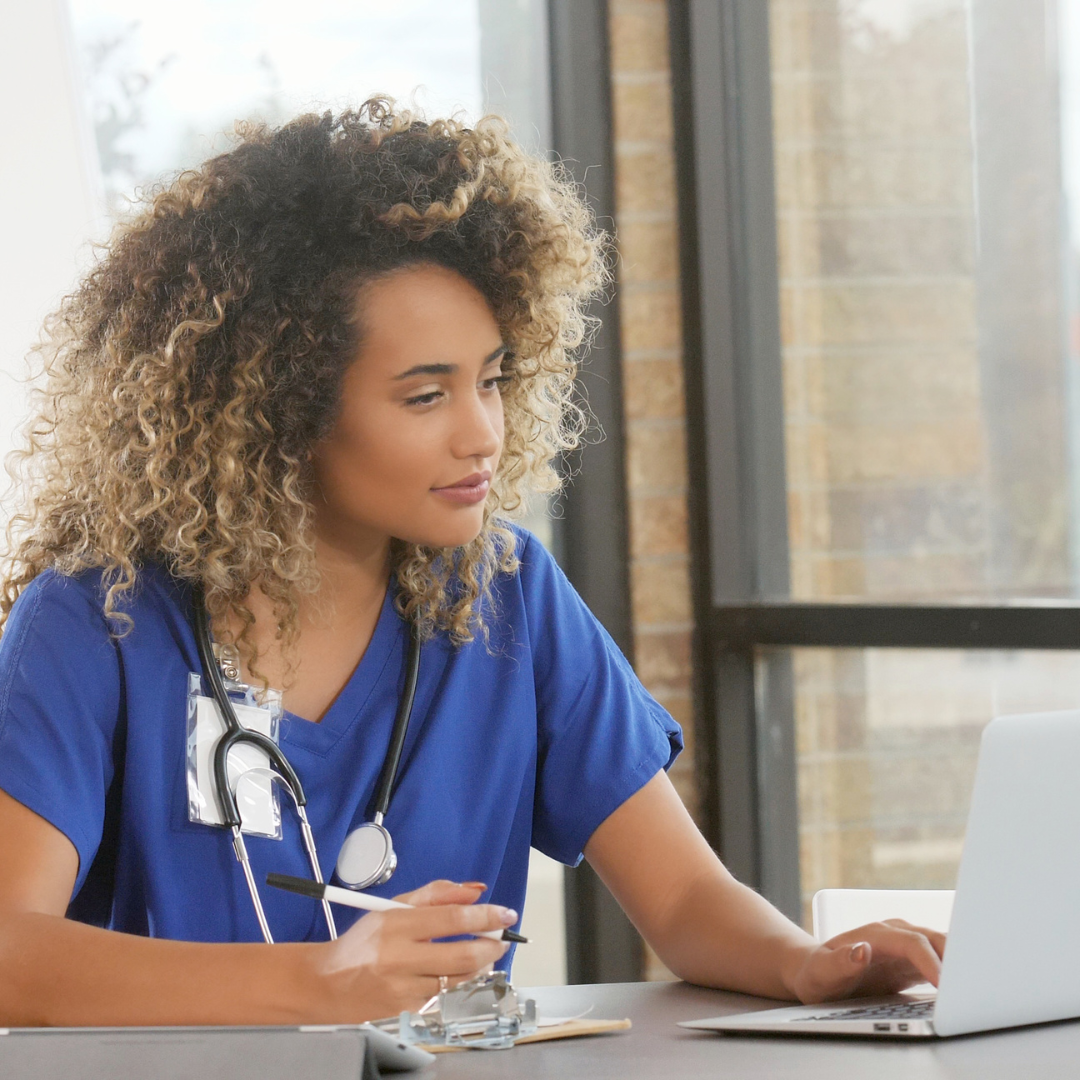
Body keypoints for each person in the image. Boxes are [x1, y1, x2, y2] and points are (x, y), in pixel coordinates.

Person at [0, 101, 944, 1026]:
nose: (484, 433)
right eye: (424, 397)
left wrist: (808, 964)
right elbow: (8, 954)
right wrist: (324, 980)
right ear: (280, 417)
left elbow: (689, 903)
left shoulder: (505, 594)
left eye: (491, 380)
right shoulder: (97, 622)